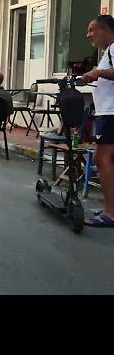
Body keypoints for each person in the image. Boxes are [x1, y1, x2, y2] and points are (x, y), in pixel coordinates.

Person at [81, 15, 114, 227]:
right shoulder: (108, 52)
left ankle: (111, 214)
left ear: (105, 29)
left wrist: (98, 72)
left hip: (111, 114)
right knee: (103, 160)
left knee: (103, 160)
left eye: (92, 30)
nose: (88, 35)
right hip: (106, 113)